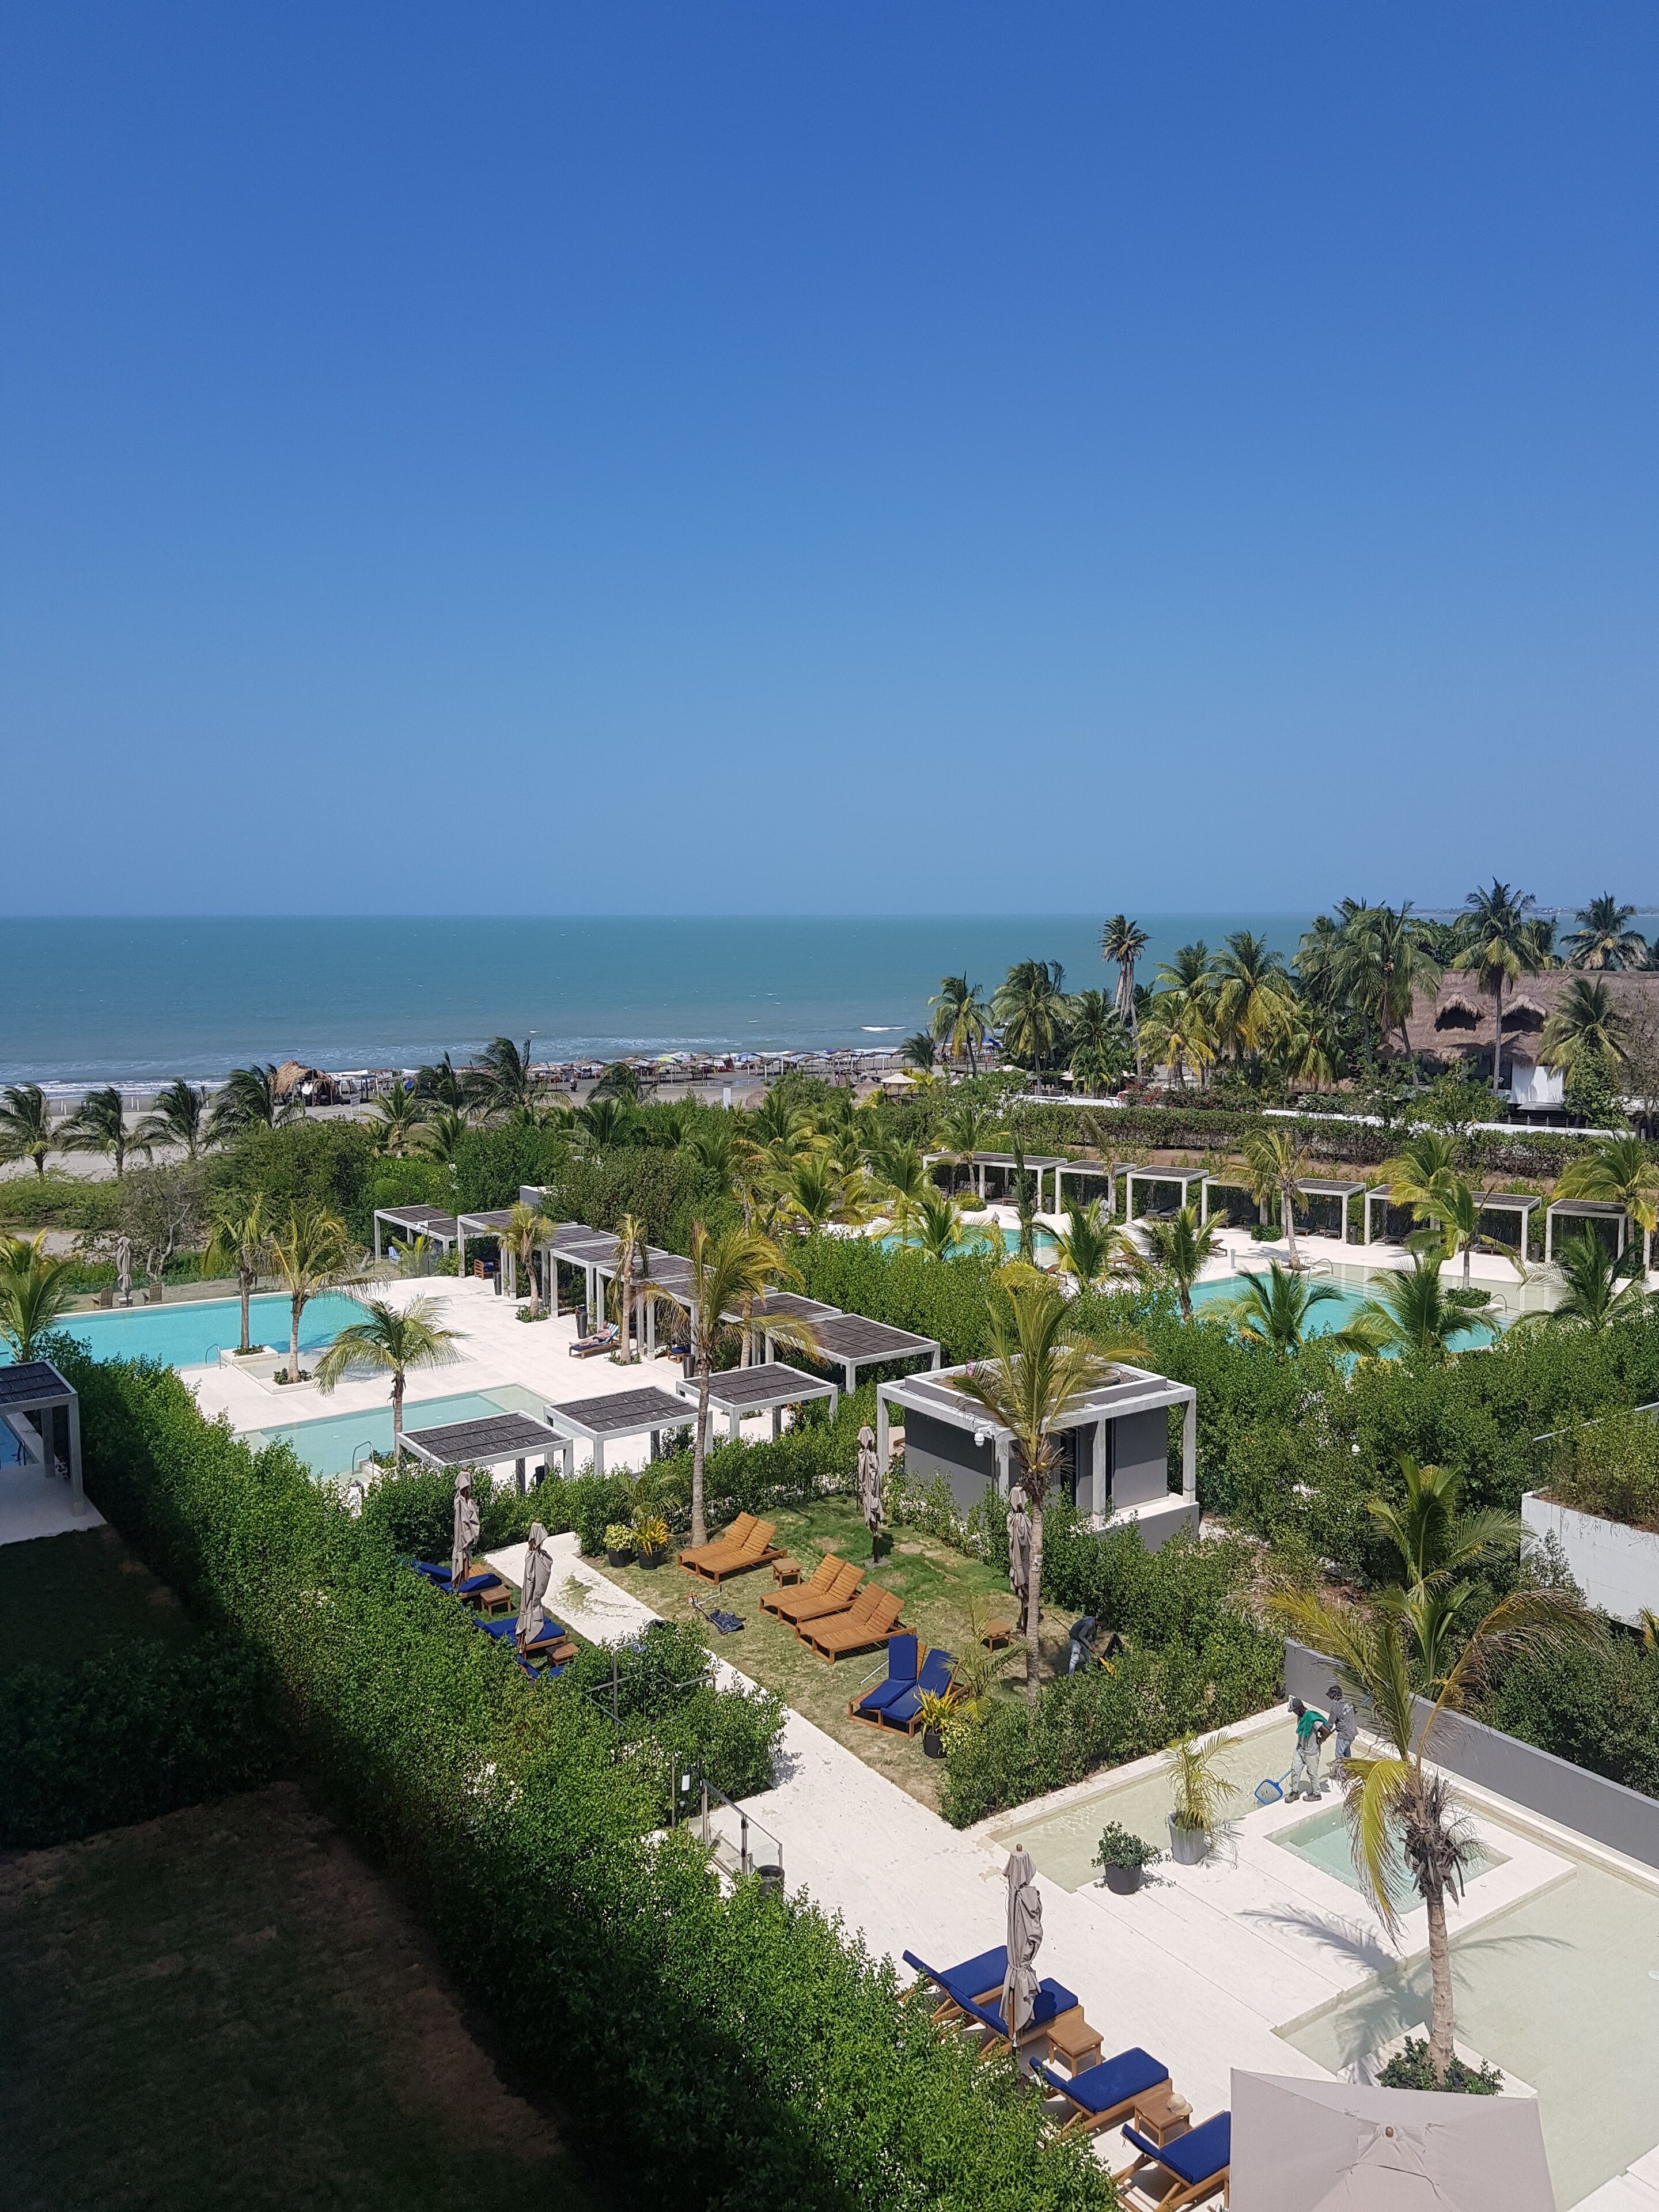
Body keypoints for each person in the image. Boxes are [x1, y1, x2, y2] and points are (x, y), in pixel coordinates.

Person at [517, 1521, 551, 1654]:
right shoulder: (532, 1558)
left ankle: (522, 1645)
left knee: (530, 1605)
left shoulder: (537, 1557)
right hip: (530, 1597)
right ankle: (522, 1644)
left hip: (532, 1596)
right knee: (529, 1605)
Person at [1288, 1695, 1328, 1800]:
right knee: (1295, 1770)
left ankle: (1317, 1794)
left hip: (1311, 1752)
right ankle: (1294, 1792)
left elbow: (1326, 1731)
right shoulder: (1301, 1716)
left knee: (1312, 1774)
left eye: (1294, 1711)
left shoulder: (1311, 1718)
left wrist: (1321, 1740)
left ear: (1299, 1709)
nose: (1294, 1713)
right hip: (1300, 1749)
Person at [451, 1467, 480, 1585]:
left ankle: (463, 1581)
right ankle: (459, 1582)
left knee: (464, 1550)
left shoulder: (468, 1503)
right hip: (461, 1540)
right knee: (461, 1549)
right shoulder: (460, 1503)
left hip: (464, 1541)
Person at [1325, 1682, 1358, 1774]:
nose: (1331, 1698)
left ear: (1335, 1696)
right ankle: (1350, 1770)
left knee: (1339, 1755)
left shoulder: (1335, 1708)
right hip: (1353, 1733)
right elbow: (1355, 1711)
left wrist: (1322, 1734)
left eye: (1331, 1696)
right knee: (1346, 1751)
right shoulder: (1349, 1703)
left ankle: (1342, 1774)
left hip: (1344, 1735)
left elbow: (1330, 1724)